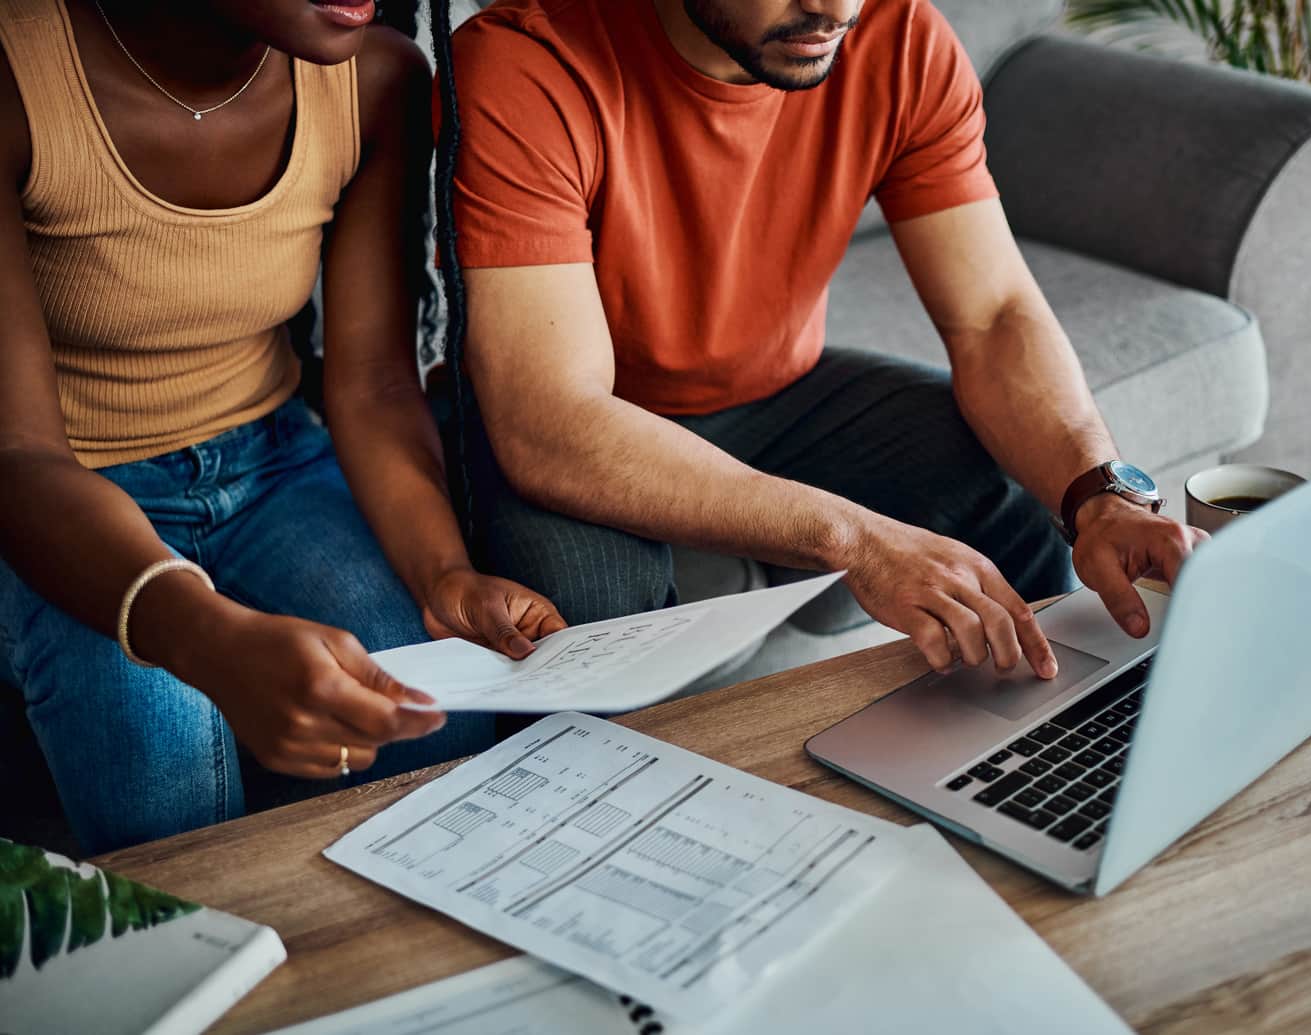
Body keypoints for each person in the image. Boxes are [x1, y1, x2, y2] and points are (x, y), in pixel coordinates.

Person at [431, 0, 1207, 679]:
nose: (834, 8)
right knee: (591, 623)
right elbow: (550, 422)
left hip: (782, 393)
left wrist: (1098, 495)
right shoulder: (524, 64)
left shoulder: (900, 40)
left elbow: (994, 314)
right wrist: (853, 538)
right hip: (588, 416)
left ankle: (1033, 764)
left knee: (1006, 490)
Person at [0, 0, 566, 855]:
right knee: (163, 758)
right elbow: (19, 455)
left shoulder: (374, 79)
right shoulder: (17, 78)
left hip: (273, 459)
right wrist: (207, 636)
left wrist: (445, 571)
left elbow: (374, 381)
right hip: (64, 492)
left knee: (429, 710)